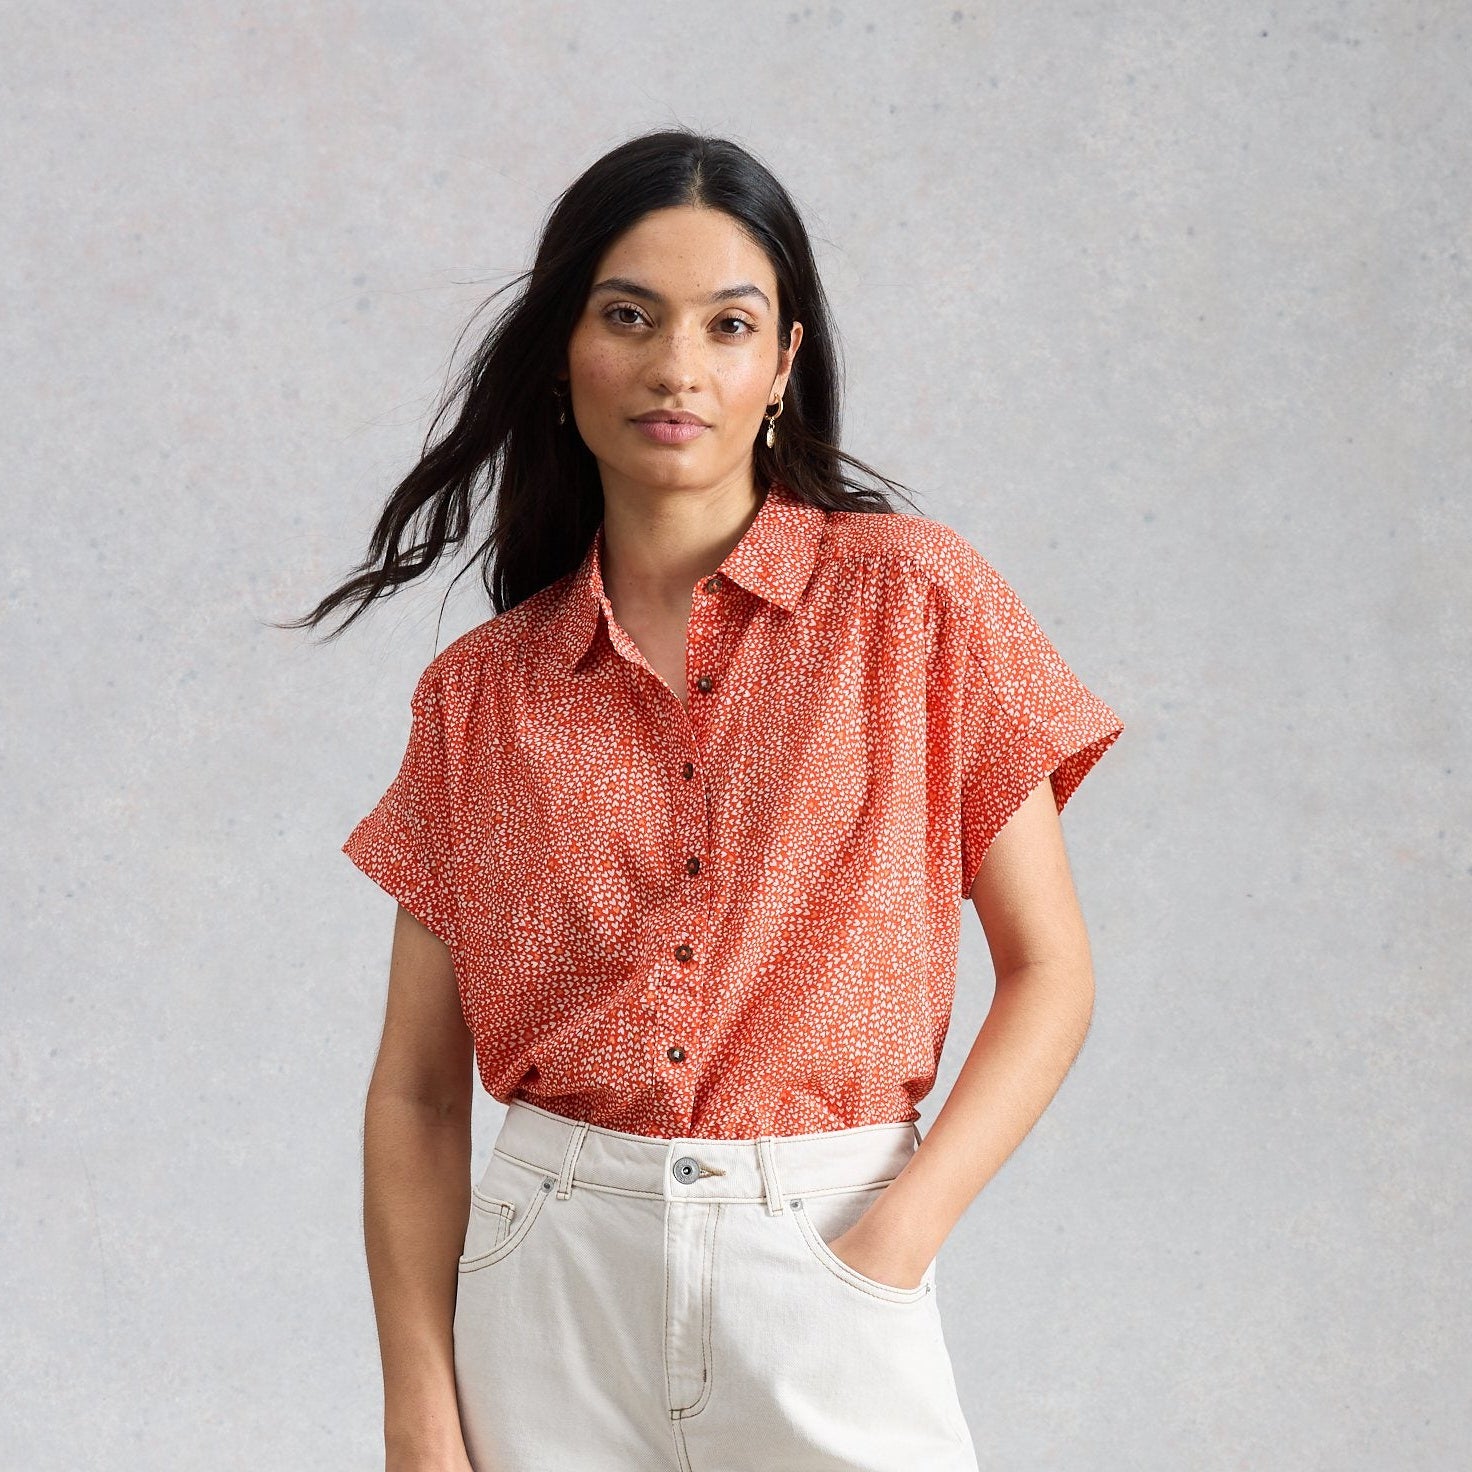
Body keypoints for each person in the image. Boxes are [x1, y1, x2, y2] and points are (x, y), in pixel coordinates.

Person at [287, 129, 1125, 1471]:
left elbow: (1052, 972)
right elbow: (420, 1096)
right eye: (630, 317)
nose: (678, 366)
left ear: (783, 363)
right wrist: (418, 1410)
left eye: (728, 325)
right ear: (566, 351)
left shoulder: (917, 606)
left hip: (829, 1254)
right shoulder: (478, 695)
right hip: (547, 1285)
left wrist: (893, 1239)